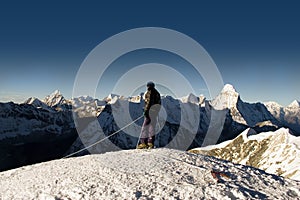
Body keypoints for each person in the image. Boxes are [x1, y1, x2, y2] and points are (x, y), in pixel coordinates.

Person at [137, 81, 161, 149]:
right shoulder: (157, 93)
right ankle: (150, 142)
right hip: (154, 113)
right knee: (152, 127)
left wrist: (146, 111)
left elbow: (149, 102)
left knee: (145, 127)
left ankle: (143, 143)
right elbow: (159, 104)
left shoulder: (149, 92)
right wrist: (156, 111)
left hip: (149, 112)